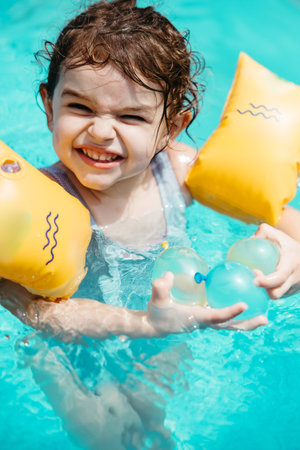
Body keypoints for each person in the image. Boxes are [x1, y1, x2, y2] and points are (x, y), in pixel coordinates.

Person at [1, 0, 300, 341]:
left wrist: (293, 259)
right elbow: (37, 311)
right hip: (68, 348)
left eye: (131, 117)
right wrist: (144, 324)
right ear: (49, 107)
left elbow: (291, 223)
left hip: (169, 326)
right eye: (80, 107)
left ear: (171, 128)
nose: (100, 132)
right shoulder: (33, 200)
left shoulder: (178, 171)